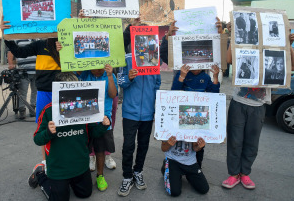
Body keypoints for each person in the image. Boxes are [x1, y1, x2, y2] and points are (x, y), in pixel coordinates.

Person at [222, 33, 294, 189]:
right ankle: (233, 174)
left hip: (258, 107)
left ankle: (244, 174)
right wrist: (233, 38)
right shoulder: (246, 52)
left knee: (252, 142)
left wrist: (288, 46)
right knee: (235, 141)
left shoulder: (272, 57)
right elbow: (229, 60)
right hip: (238, 103)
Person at [30, 72, 111, 201]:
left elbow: (93, 133)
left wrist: (104, 125)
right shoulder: (48, 111)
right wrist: (48, 133)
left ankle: (70, 183)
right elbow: (37, 139)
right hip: (58, 169)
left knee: (85, 194)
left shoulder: (85, 107)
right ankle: (40, 174)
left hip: (80, 165)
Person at [1, 16, 61, 178]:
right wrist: (5, 33)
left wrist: (67, 47)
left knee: (65, 129)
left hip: (65, 92)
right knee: (44, 128)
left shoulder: (69, 42)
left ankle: (63, 160)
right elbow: (19, 52)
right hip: (45, 93)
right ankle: (46, 162)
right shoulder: (40, 44)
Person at [117, 49, 161, 197]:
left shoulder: (154, 59)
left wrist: (156, 109)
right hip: (130, 112)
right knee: (128, 145)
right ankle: (127, 176)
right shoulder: (126, 59)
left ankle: (138, 172)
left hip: (148, 113)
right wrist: (128, 78)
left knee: (143, 144)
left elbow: (157, 85)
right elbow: (120, 82)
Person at [171, 64, 220, 169]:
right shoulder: (182, 74)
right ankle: (175, 167)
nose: (197, 68)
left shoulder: (206, 77)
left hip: (199, 117)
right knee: (181, 142)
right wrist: (182, 76)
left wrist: (215, 77)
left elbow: (215, 96)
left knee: (199, 144)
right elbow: (173, 93)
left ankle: (197, 169)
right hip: (183, 116)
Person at [78, 64, 118, 192]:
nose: (98, 71)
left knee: (101, 149)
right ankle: (82, 172)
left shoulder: (109, 75)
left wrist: (110, 75)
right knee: (83, 147)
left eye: (101, 68)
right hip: (85, 117)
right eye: (94, 68)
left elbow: (113, 94)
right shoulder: (85, 74)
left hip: (103, 118)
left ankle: (100, 176)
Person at [7, 41, 37, 119]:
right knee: (22, 92)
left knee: (35, 91)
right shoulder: (18, 38)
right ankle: (22, 110)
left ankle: (32, 109)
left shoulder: (36, 37)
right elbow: (11, 51)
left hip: (37, 71)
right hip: (23, 71)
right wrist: (10, 64)